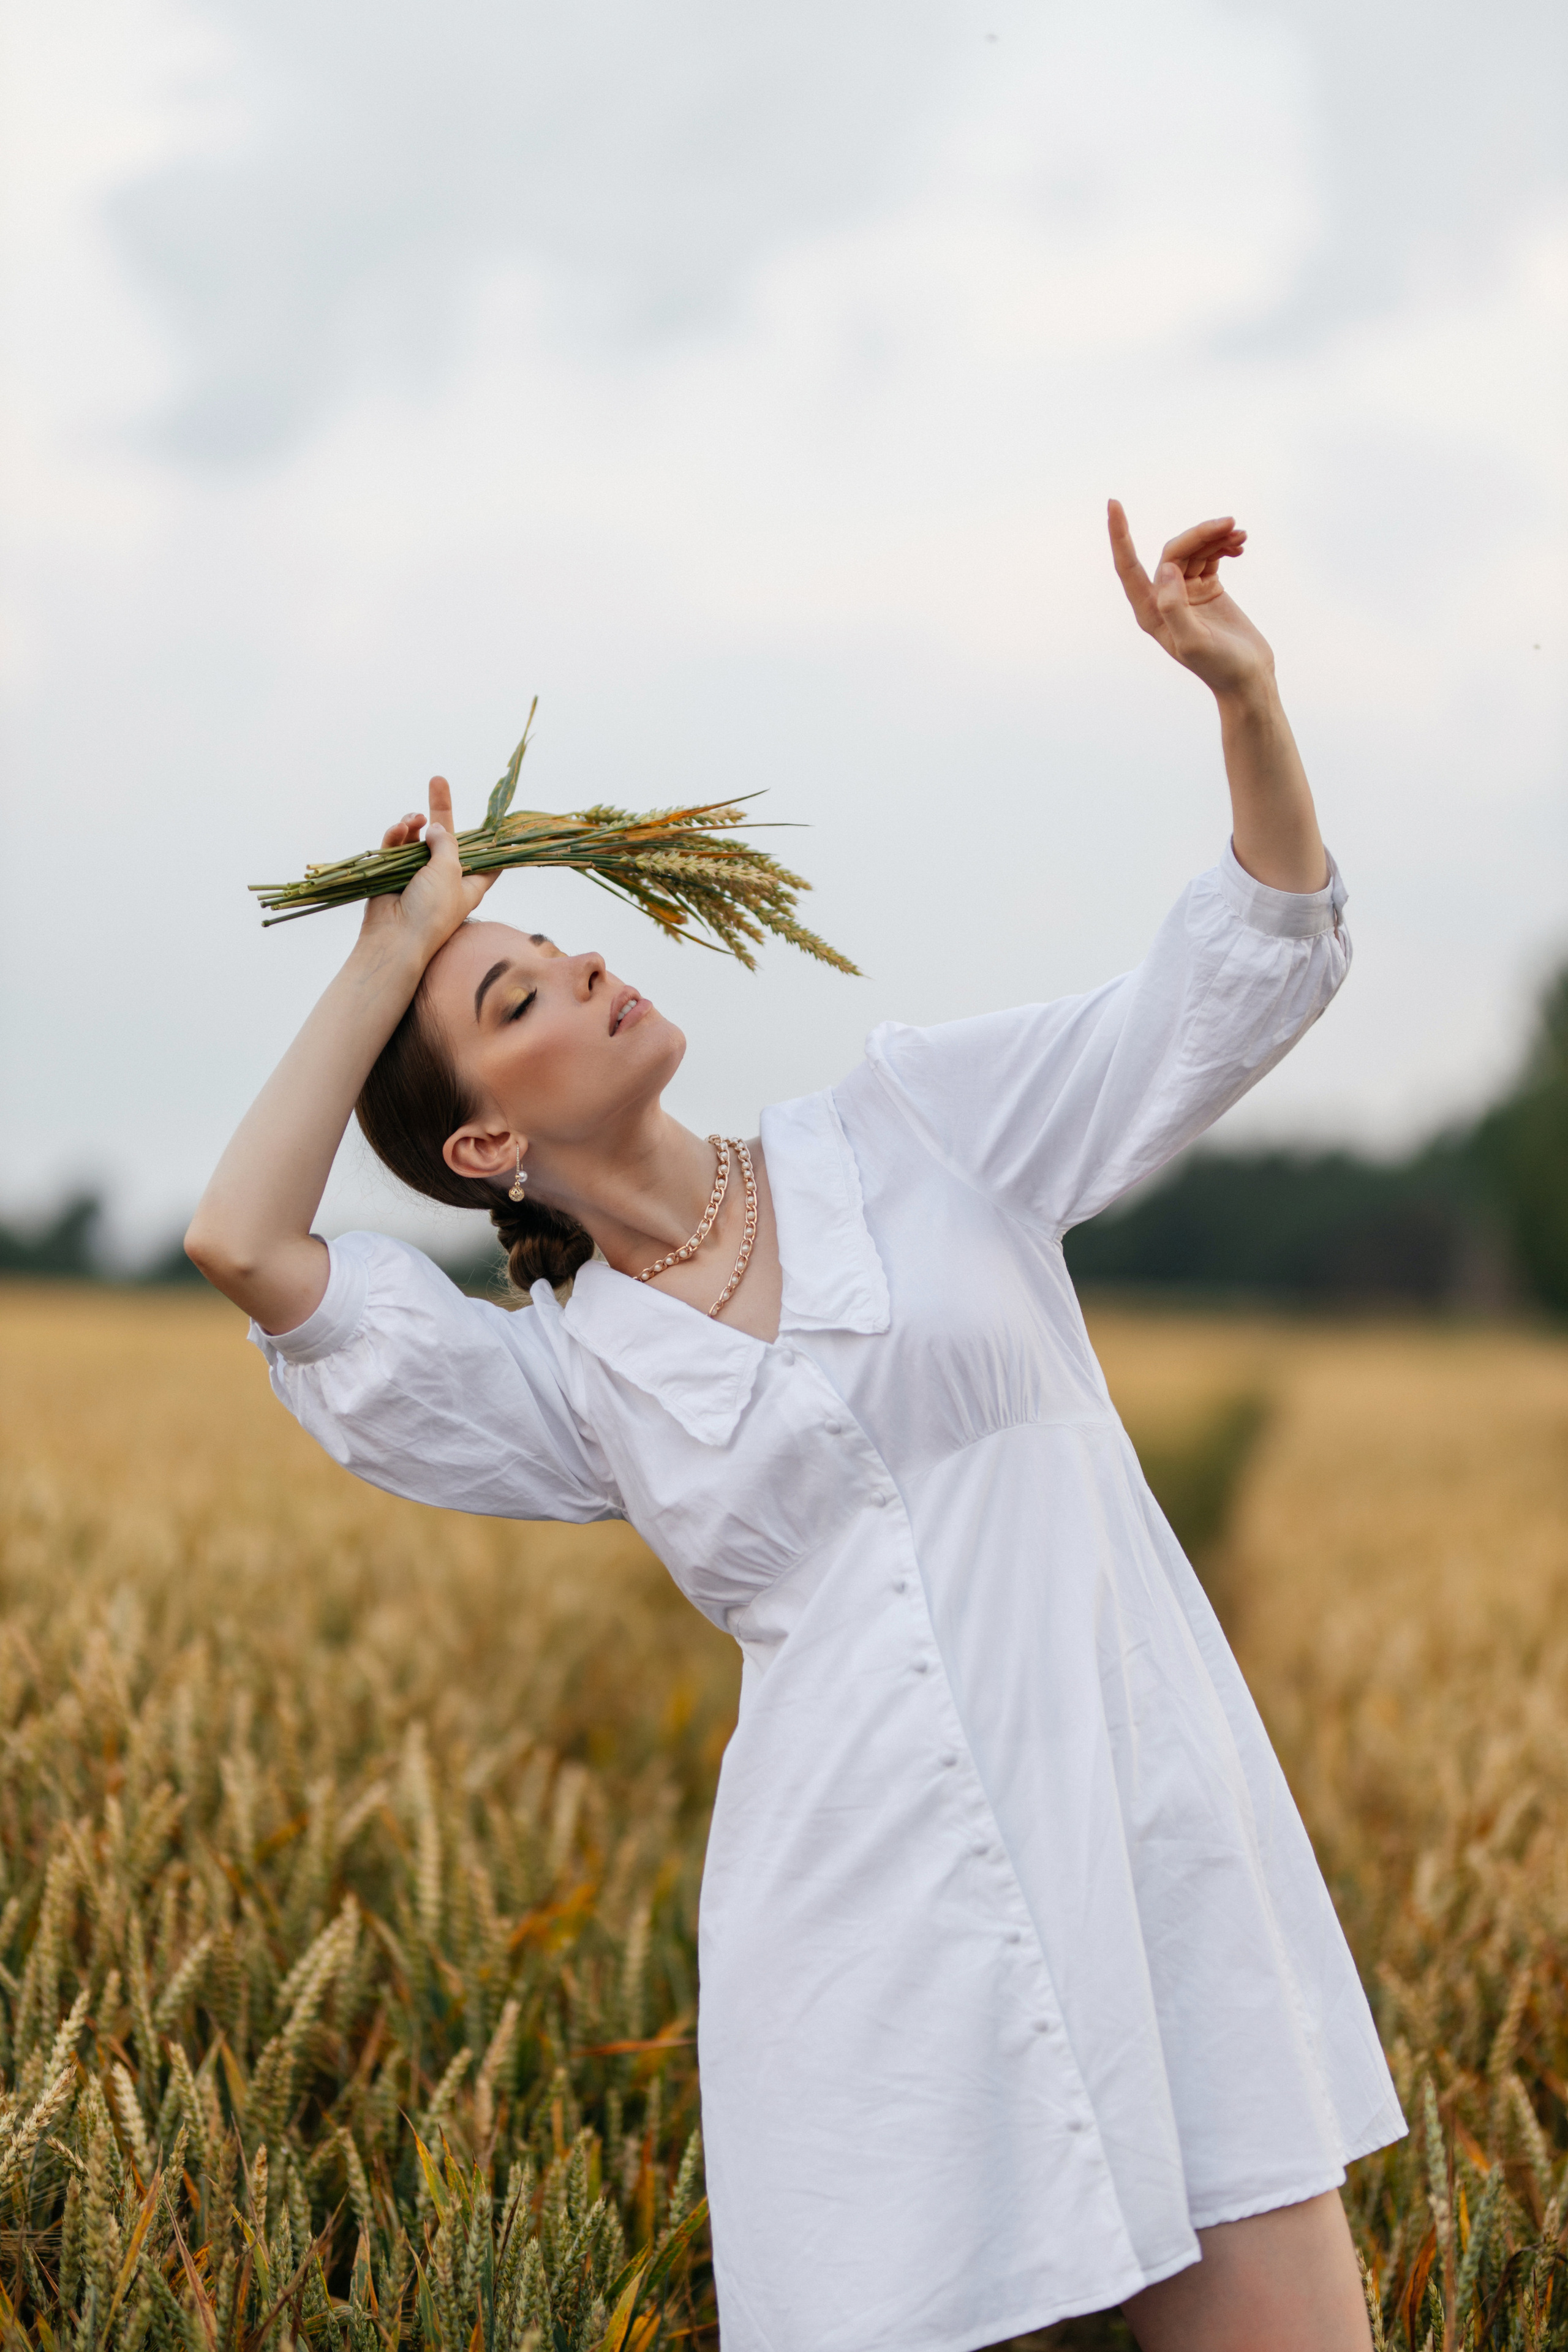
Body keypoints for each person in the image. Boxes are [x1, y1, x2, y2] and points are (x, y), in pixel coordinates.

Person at [187, 505, 1403, 2352]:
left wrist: (1244, 695)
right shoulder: (570, 1383)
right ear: (487, 1142)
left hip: (1149, 1856)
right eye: (517, 995)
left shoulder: (919, 1130)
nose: (587, 971)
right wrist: (389, 956)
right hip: (869, 1969)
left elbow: (1234, 978)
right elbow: (247, 1245)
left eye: (560, 947)